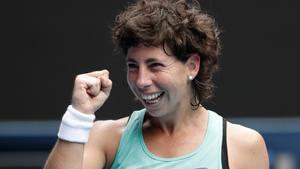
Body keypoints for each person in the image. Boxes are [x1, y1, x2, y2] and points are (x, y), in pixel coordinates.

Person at [44, 0, 269, 168]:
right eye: (133, 66)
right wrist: (78, 116)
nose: (141, 81)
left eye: (155, 66)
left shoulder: (242, 145)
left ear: (192, 66)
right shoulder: (105, 138)